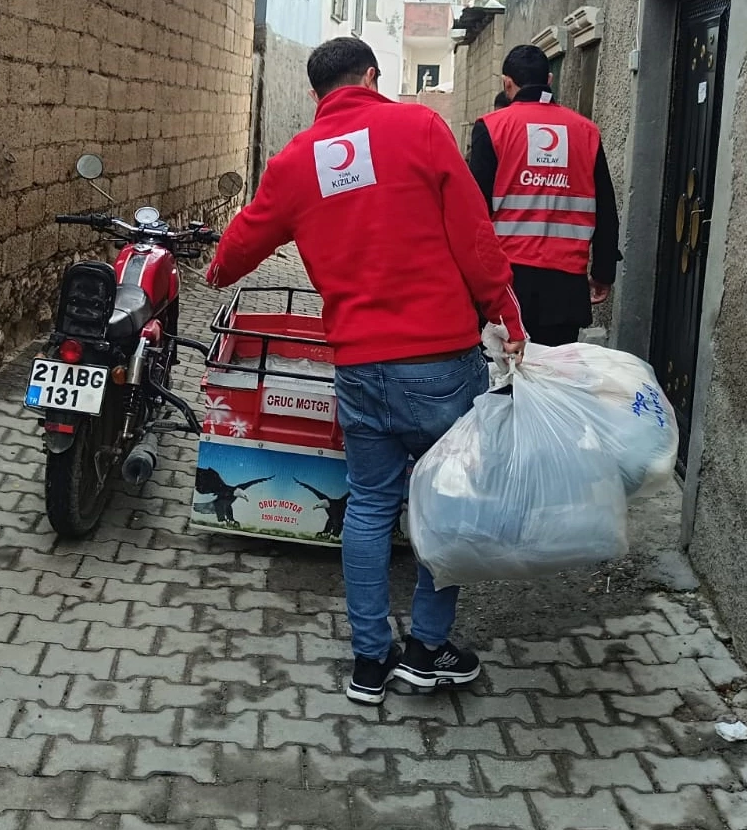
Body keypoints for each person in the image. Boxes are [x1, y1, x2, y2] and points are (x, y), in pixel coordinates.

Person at [207, 37, 526, 706]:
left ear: (318, 92)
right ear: (372, 76)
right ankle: (427, 649)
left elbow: (241, 242)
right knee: (444, 501)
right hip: (440, 359)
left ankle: (368, 663)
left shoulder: (297, 161)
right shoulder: (417, 126)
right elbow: (474, 235)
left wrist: (214, 271)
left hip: (358, 365)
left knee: (371, 503)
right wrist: (504, 308)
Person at [468, 44, 618, 347]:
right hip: (565, 288)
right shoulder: (585, 131)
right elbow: (605, 206)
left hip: (507, 284)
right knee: (555, 380)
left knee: (502, 378)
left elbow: (474, 212)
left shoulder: (492, 128)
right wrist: (603, 271)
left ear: (506, 83)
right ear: (549, 80)